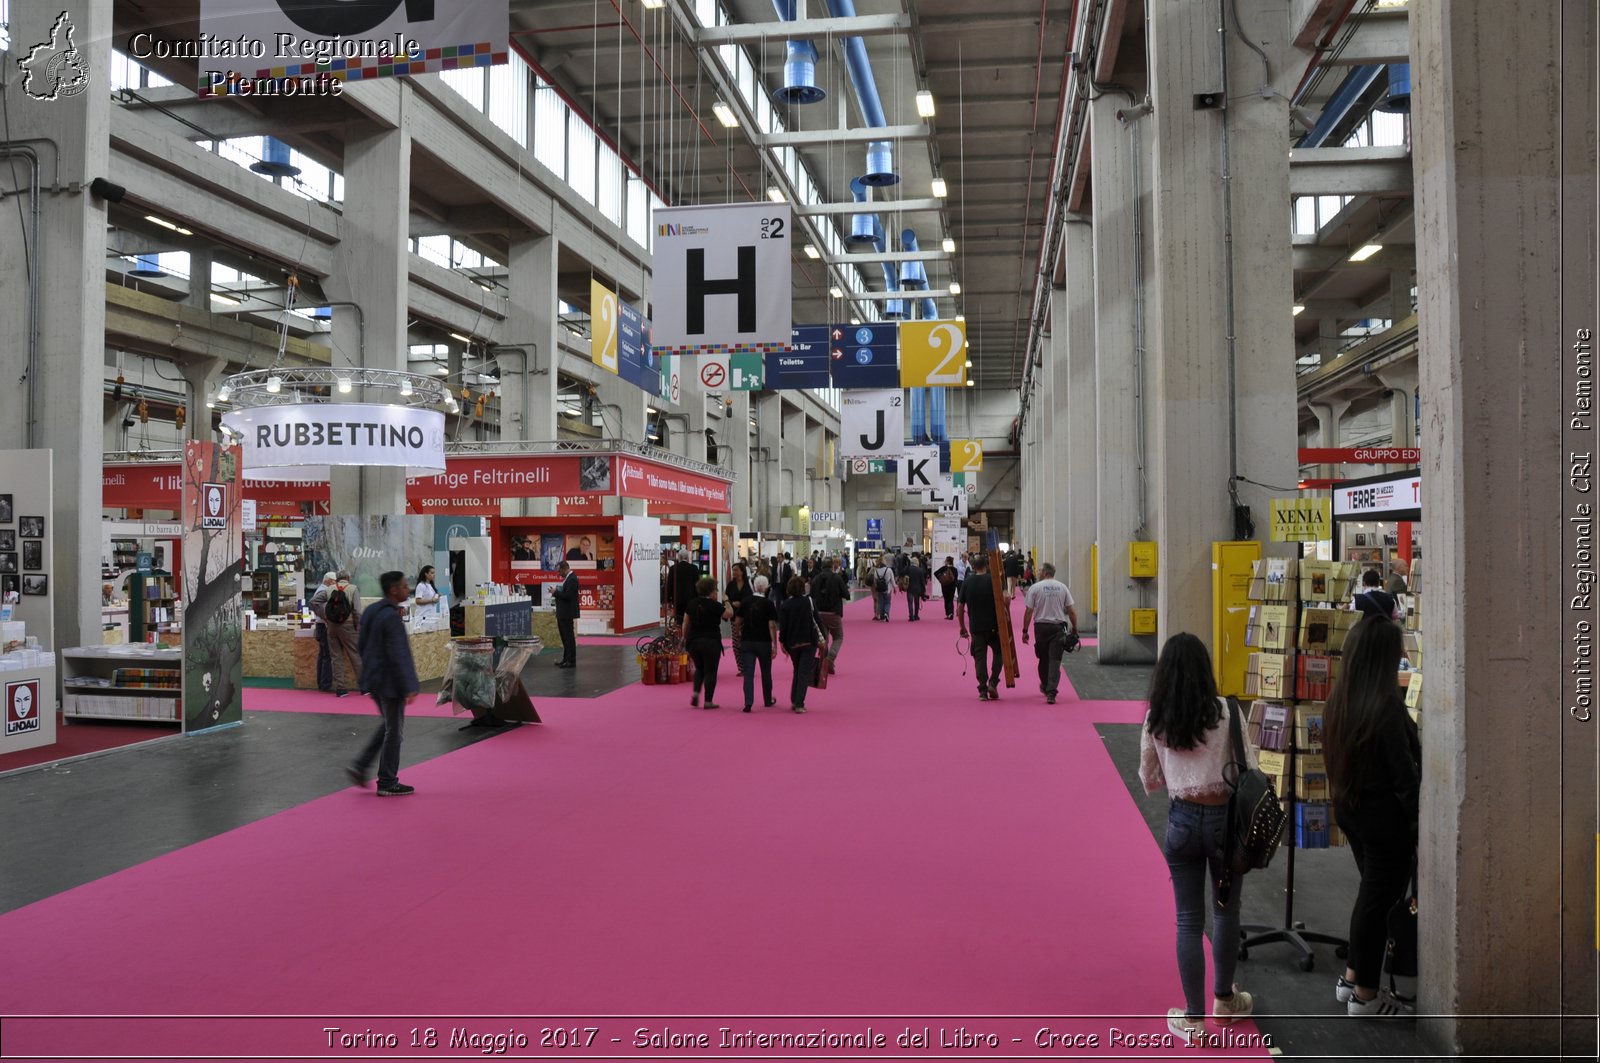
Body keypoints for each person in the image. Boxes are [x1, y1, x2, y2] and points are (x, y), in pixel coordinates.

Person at [1137, 632, 1257, 1043]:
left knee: (1188, 920)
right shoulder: (1225, 711)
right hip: (1225, 822)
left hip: (1182, 822)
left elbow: (1148, 776)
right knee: (1225, 911)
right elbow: (1250, 766)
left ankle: (1192, 1018)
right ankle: (1224, 999)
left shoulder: (1159, 717)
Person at [1325, 615, 1420, 1017]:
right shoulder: (1385, 708)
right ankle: (1366, 993)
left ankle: (1352, 977)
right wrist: (1420, 828)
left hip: (1351, 810)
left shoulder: (1340, 702)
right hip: (1386, 821)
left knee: (1370, 897)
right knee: (1378, 903)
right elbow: (1405, 777)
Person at [346, 570, 420, 796]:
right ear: (393, 589)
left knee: (388, 725)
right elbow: (399, 654)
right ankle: (387, 781)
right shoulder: (391, 617)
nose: (407, 590)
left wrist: (368, 671)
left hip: (374, 678)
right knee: (394, 731)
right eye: (404, 586)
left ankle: (361, 765)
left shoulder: (371, 611)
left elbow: (362, 644)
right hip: (390, 683)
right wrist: (409, 685)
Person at [1021, 562, 1080, 704]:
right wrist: (1075, 628)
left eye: (1040, 570)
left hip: (1041, 628)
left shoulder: (1035, 588)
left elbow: (1029, 611)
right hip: (1057, 628)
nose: (1038, 572)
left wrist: (1025, 630)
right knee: (1055, 660)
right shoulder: (1062, 587)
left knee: (1043, 658)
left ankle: (1046, 685)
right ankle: (1051, 692)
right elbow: (1071, 611)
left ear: (1045, 572)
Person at [957, 555, 1002, 700]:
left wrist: (962, 626)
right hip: (994, 625)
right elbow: (1004, 600)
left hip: (976, 626)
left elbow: (960, 606)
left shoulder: (967, 582)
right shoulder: (993, 580)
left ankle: (982, 690)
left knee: (979, 658)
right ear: (987, 565)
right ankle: (993, 682)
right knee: (999, 653)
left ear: (973, 567)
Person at [682, 576, 731, 709]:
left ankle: (696, 692)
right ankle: (708, 700)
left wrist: (684, 638)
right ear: (711, 591)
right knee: (710, 671)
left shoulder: (692, 603)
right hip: (711, 641)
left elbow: (686, 624)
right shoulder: (715, 605)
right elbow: (729, 614)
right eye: (715, 589)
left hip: (694, 641)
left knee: (700, 669)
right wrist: (726, 600)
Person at [776, 575, 820, 713]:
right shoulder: (809, 602)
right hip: (809, 641)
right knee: (804, 672)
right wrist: (822, 639)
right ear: (803, 588)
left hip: (792, 643)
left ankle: (795, 699)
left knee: (797, 670)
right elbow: (818, 621)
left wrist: (782, 642)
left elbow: (783, 627)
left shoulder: (785, 605)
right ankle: (799, 703)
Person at [738, 575, 780, 712]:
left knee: (748, 673)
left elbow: (737, 621)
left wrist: (739, 634)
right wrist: (775, 644)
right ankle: (767, 699)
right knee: (766, 672)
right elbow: (772, 626)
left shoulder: (745, 601)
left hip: (747, 641)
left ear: (754, 587)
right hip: (763, 642)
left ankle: (748, 702)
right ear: (766, 588)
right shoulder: (768, 604)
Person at [324, 571, 362, 698]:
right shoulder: (353, 589)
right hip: (348, 625)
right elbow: (356, 610)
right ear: (348, 578)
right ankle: (364, 685)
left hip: (332, 626)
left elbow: (314, 601)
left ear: (337, 579)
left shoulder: (329, 589)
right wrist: (358, 627)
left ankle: (340, 688)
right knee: (355, 654)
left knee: (336, 657)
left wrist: (325, 617)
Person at [809, 556, 848, 671]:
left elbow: (811, 596)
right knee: (838, 637)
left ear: (821, 566)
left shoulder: (816, 578)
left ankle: (823, 661)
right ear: (832, 566)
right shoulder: (837, 578)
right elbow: (846, 594)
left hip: (819, 613)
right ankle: (830, 658)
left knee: (823, 639)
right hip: (833, 612)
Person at [307, 571, 338, 692]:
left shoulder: (322, 589)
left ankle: (322, 682)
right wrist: (327, 618)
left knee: (323, 655)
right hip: (323, 625)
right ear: (329, 581)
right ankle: (325, 683)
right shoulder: (323, 591)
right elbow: (321, 609)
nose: (335, 584)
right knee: (327, 656)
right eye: (334, 581)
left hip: (321, 625)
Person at [550, 561, 580, 668]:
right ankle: (566, 659)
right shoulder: (568, 578)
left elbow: (568, 596)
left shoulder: (572, 579)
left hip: (567, 613)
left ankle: (571, 661)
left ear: (564, 569)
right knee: (565, 638)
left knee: (568, 638)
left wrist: (555, 592)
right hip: (563, 613)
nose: (558, 573)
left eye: (559, 571)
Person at [725, 562, 751, 676]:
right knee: (736, 643)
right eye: (733, 570)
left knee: (747, 642)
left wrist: (742, 604)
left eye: (736, 570)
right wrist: (731, 603)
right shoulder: (730, 585)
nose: (734, 572)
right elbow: (725, 599)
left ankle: (749, 666)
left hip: (747, 616)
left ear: (742, 571)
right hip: (735, 617)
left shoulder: (748, 583)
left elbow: (752, 598)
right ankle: (741, 668)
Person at [668, 549, 700, 628]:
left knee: (679, 620)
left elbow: (670, 585)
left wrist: (668, 600)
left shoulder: (673, 568)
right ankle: (689, 637)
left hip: (677, 599)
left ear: (679, 556)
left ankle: (680, 636)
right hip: (692, 598)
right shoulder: (694, 568)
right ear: (688, 557)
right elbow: (698, 585)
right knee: (691, 620)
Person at [905, 554, 926, 621]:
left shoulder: (908, 568)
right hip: (918, 588)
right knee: (916, 602)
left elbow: (901, 573)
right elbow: (922, 582)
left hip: (910, 587)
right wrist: (924, 590)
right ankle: (916, 615)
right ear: (917, 562)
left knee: (910, 602)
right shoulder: (920, 570)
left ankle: (911, 616)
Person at [872, 556, 894, 621]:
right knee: (887, 602)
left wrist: (875, 588)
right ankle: (886, 613)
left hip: (879, 589)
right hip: (888, 589)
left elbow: (875, 581)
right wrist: (895, 587)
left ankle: (881, 616)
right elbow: (892, 580)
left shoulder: (876, 571)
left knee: (880, 603)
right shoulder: (889, 570)